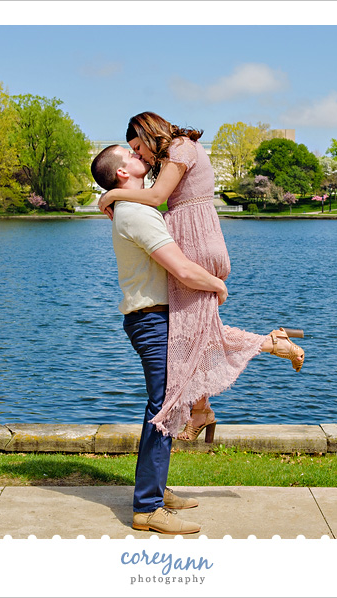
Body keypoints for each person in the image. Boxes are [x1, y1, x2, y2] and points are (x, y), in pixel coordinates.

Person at [98, 112, 304, 442]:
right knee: (196, 331)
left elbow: (155, 198)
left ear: (149, 133)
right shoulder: (175, 151)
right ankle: (201, 408)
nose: (141, 155)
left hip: (193, 239)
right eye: (134, 151)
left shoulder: (180, 148)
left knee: (193, 333)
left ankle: (272, 345)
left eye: (139, 147)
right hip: (193, 234)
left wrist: (111, 195)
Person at [91, 144, 228, 534]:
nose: (142, 157)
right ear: (122, 172)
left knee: (169, 405)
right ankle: (147, 508)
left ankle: (156, 490)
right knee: (164, 408)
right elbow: (182, 269)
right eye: (131, 154)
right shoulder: (135, 212)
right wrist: (217, 284)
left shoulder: (134, 207)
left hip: (154, 318)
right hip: (152, 321)